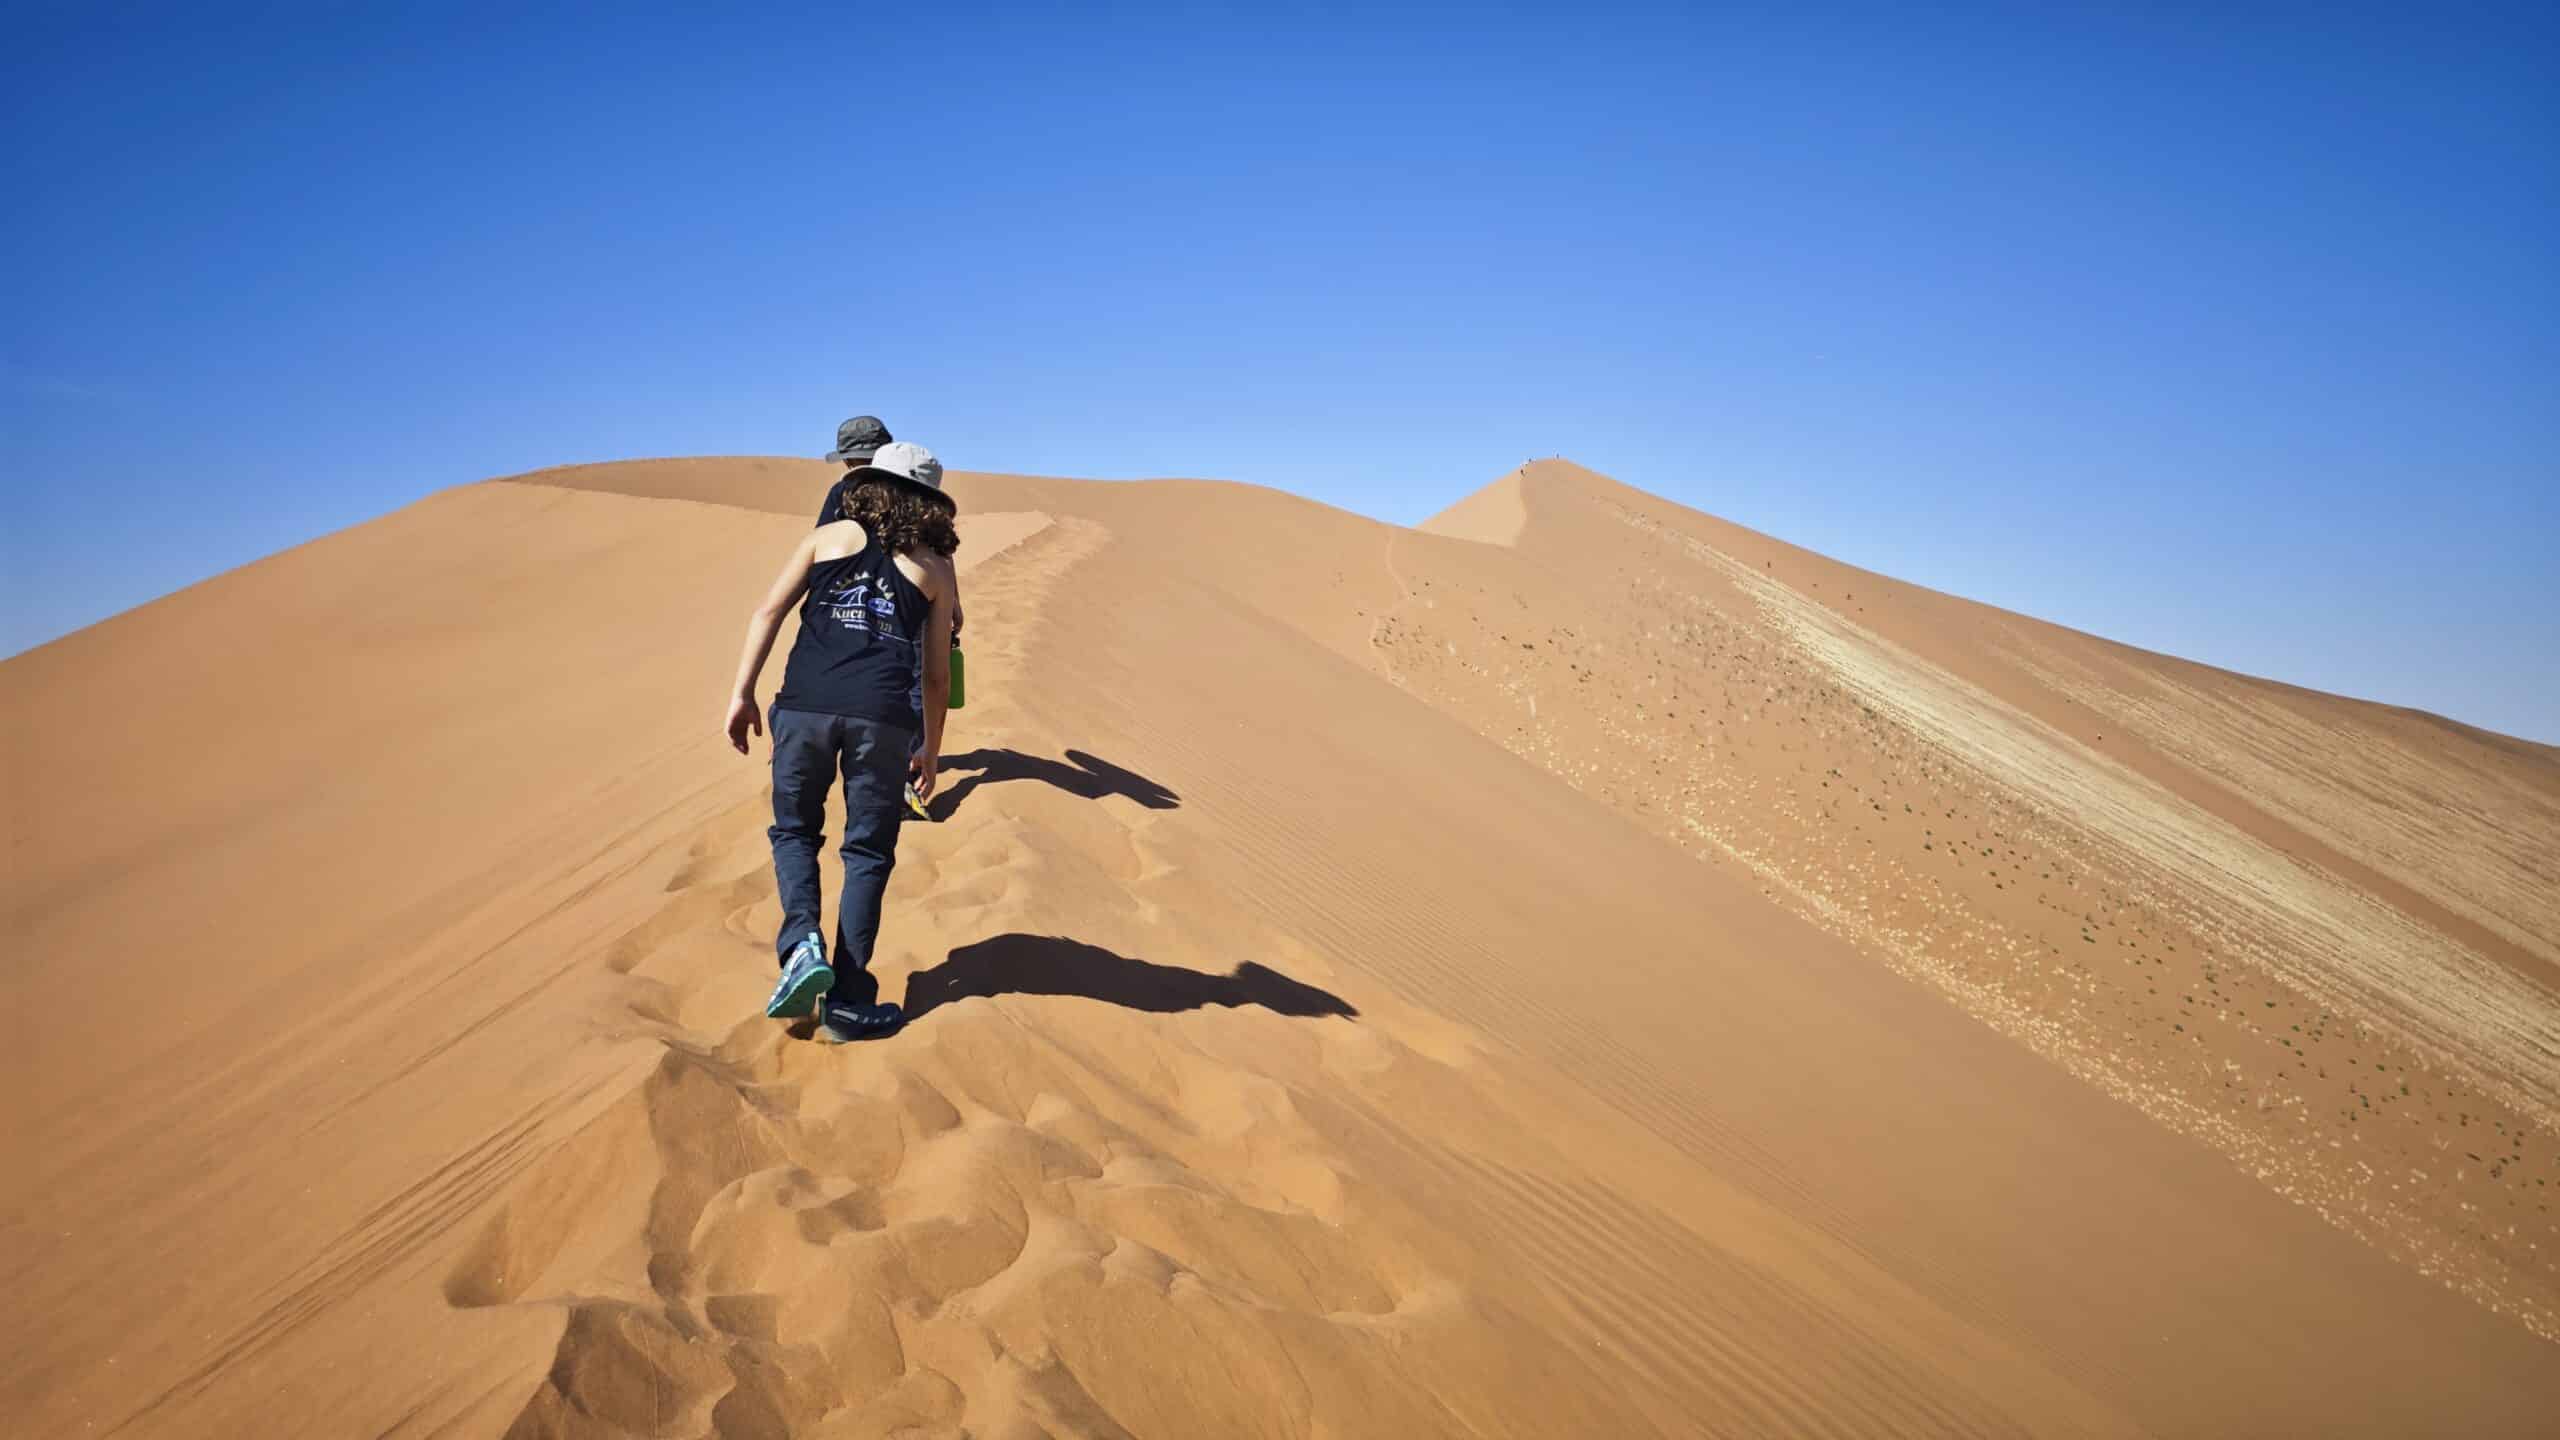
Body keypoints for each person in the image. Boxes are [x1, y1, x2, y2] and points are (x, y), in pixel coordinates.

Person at [724, 440, 960, 1042]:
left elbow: (767, 613)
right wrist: (930, 750)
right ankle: (851, 1000)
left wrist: (742, 692)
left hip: (804, 706)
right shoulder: (934, 570)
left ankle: (802, 944)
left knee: (796, 831)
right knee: (868, 853)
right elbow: (937, 675)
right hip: (881, 720)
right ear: (930, 503)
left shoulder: (824, 539)